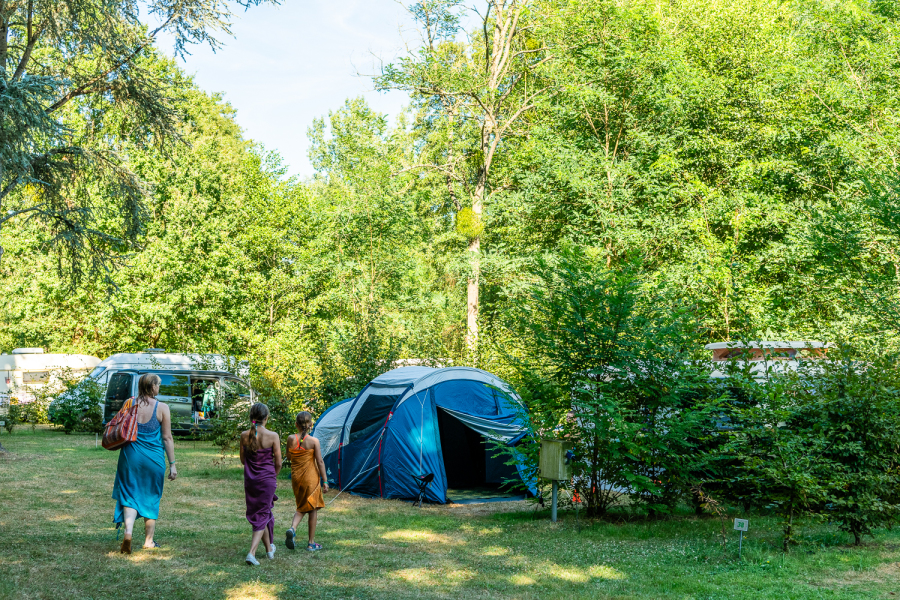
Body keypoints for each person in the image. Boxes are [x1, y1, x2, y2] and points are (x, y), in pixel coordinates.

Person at [112, 373, 177, 554]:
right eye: (158, 384)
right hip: (153, 459)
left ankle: (128, 533)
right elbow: (167, 437)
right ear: (152, 386)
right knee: (151, 496)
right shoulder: (162, 407)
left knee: (130, 495)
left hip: (130, 456)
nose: (159, 387)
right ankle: (148, 541)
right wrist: (172, 464)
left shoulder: (129, 403)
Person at [240, 403, 281, 565]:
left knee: (261, 513)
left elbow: (243, 460)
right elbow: (278, 463)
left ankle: (269, 550)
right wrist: (272, 476)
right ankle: (252, 553)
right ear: (266, 418)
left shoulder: (244, 435)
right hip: (267, 480)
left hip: (251, 480)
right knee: (262, 514)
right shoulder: (273, 436)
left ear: (251, 417)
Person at [284, 411, 328, 552]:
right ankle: (311, 543)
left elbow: (289, 457)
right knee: (312, 508)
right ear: (311, 425)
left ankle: (293, 528)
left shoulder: (291, 439)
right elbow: (320, 461)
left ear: (296, 424)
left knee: (301, 506)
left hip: (296, 478)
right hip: (311, 478)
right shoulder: (314, 441)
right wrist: (325, 480)